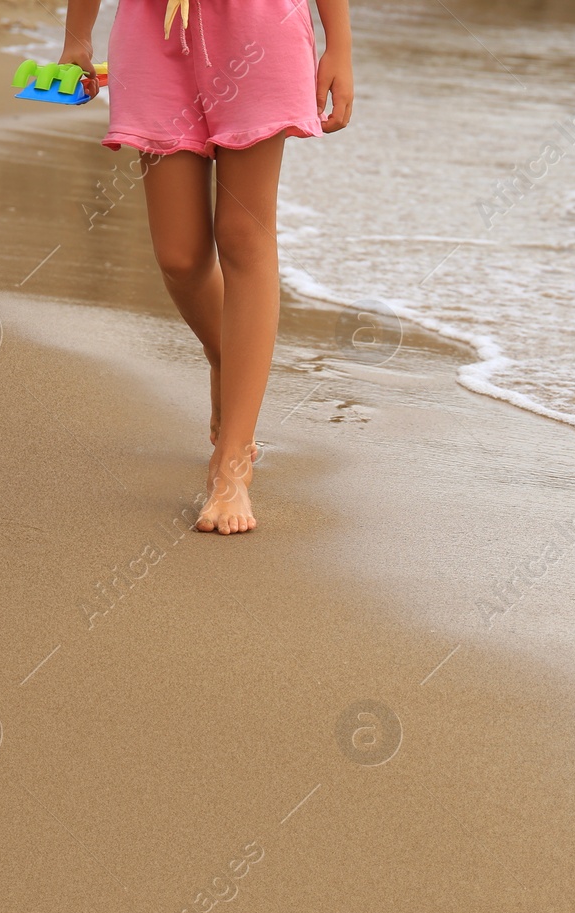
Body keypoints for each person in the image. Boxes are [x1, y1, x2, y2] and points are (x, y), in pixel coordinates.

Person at [58, 0, 353, 533]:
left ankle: (232, 467)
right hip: (154, 33)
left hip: (261, 29)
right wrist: (78, 37)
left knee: (244, 238)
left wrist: (339, 46)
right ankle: (228, 355)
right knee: (180, 256)